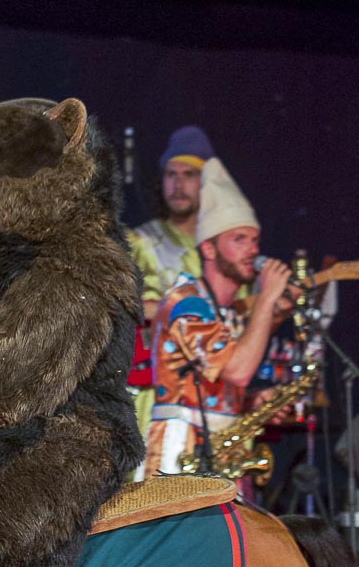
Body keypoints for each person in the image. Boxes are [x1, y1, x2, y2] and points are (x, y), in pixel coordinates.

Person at [145, 157, 292, 477]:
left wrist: (256, 403)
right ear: (209, 250)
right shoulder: (185, 304)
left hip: (223, 453)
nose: (252, 250)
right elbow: (237, 371)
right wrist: (268, 299)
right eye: (238, 240)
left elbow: (226, 388)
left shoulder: (230, 314)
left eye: (254, 240)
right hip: (179, 455)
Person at [125, 126, 214, 473]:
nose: (178, 184)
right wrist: (171, 307)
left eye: (189, 175)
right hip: (152, 394)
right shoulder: (143, 242)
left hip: (208, 391)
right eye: (171, 175)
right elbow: (120, 305)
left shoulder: (222, 249)